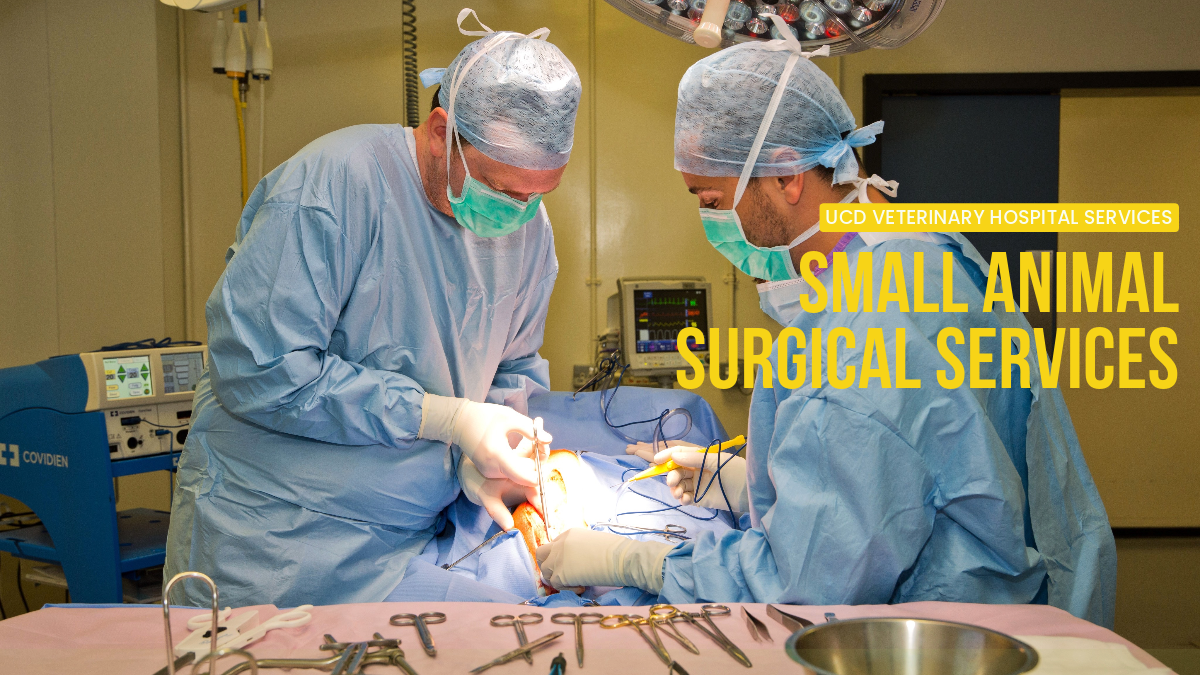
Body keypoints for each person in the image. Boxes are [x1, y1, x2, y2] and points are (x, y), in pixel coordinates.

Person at [536, 19, 1117, 627]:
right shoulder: (928, 252)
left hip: (945, 637)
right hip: (1028, 608)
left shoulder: (858, 335)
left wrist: (639, 564)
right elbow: (935, 461)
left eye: (710, 201)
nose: (711, 226)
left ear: (787, 176)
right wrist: (744, 479)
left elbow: (804, 582)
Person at [165, 9, 581, 607]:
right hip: (272, 545)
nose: (520, 211)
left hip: (409, 542)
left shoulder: (528, 232)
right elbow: (260, 370)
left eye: (541, 192)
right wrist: (446, 419)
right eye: (503, 189)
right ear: (441, 131)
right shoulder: (335, 184)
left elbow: (513, 368)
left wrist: (486, 459)